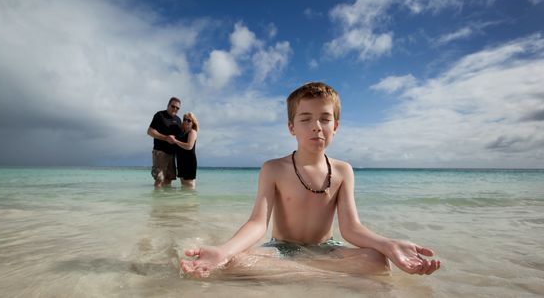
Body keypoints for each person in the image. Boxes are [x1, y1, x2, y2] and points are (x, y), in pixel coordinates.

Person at [180, 82, 441, 278]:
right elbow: (258, 224)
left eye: (325, 119)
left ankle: (297, 277)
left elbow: (351, 228)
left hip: (325, 249)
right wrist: (223, 251)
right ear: (291, 127)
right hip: (281, 249)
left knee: (377, 260)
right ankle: (323, 279)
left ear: (335, 126)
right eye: (306, 119)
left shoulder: (343, 171)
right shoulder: (273, 169)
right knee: (234, 261)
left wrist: (388, 244)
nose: (317, 126)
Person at [147, 97, 182, 187]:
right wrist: (165, 138)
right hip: (160, 152)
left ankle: (165, 201)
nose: (175, 109)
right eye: (173, 106)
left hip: (172, 154)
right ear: (168, 105)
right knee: (159, 180)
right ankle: (157, 201)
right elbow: (150, 131)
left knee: (169, 180)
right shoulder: (159, 115)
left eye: (177, 108)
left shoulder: (178, 120)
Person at [169, 112, 199, 189]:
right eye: (185, 120)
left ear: (193, 123)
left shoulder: (192, 132)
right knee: (183, 186)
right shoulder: (182, 132)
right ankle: (184, 201)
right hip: (181, 161)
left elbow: (189, 146)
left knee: (189, 186)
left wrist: (175, 141)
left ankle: (191, 201)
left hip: (189, 162)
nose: (186, 121)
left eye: (189, 120)